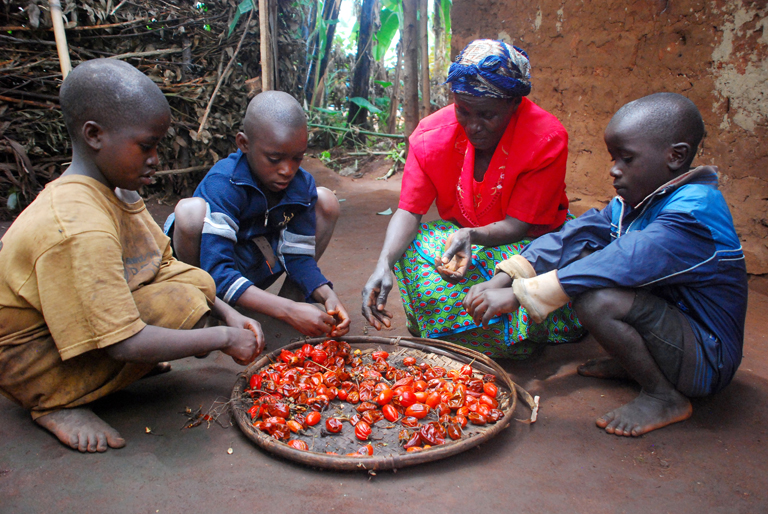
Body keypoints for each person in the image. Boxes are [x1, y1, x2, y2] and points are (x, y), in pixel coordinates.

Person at [0, 59, 265, 453]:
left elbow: (165, 264)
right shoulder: (77, 224)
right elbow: (122, 342)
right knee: (177, 305)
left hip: (67, 330)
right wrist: (224, 337)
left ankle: (116, 376)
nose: (156, 158)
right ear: (94, 135)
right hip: (31, 361)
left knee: (197, 283)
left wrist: (232, 315)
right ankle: (55, 403)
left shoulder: (119, 189)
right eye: (146, 146)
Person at [464, 92, 748, 436]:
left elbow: (624, 260)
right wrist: (507, 275)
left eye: (626, 159)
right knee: (582, 252)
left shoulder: (694, 212)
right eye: (614, 158)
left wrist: (520, 295)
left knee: (596, 295)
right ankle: (637, 364)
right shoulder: (639, 202)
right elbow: (577, 234)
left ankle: (664, 396)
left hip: (706, 361)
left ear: (676, 156)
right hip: (677, 336)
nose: (614, 169)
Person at [361, 39, 582, 358]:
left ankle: (499, 335)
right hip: (469, 240)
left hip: (531, 242)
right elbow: (409, 212)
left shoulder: (545, 138)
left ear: (513, 104)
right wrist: (382, 264)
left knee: (521, 273)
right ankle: (480, 330)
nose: (473, 126)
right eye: (463, 111)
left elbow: (519, 226)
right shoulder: (431, 137)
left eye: (487, 114)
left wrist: (471, 235)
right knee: (408, 247)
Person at [167, 91, 350, 338]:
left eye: (297, 158)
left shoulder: (300, 184)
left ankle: (289, 301)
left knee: (326, 199)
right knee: (189, 213)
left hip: (255, 261)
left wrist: (327, 293)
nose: (287, 170)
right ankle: (207, 308)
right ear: (244, 144)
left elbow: (299, 256)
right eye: (274, 159)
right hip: (208, 265)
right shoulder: (225, 182)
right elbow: (217, 270)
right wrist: (287, 311)